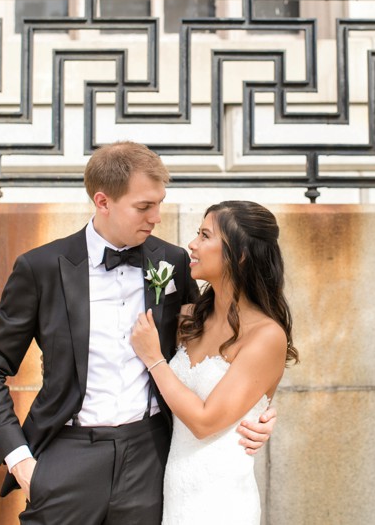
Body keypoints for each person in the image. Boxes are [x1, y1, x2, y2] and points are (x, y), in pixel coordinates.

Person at [0, 141, 276, 524]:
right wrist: (20, 462)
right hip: (66, 455)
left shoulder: (172, 262)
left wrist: (257, 408)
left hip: (150, 458)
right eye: (144, 207)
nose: (157, 217)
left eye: (160, 203)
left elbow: (217, 342)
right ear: (103, 202)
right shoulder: (41, 268)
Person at [131, 201, 298, 524]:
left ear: (240, 254)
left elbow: (205, 422)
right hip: (174, 494)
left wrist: (154, 360)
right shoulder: (191, 318)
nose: (192, 244)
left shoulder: (266, 335)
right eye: (197, 233)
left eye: (205, 236)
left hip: (222, 501)